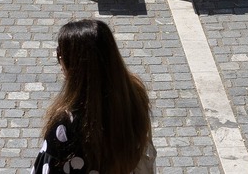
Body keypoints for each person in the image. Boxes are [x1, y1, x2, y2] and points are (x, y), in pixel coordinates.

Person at [32, 17, 155, 174]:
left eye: (60, 55)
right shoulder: (134, 95)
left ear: (74, 66)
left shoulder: (65, 124)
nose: (60, 61)